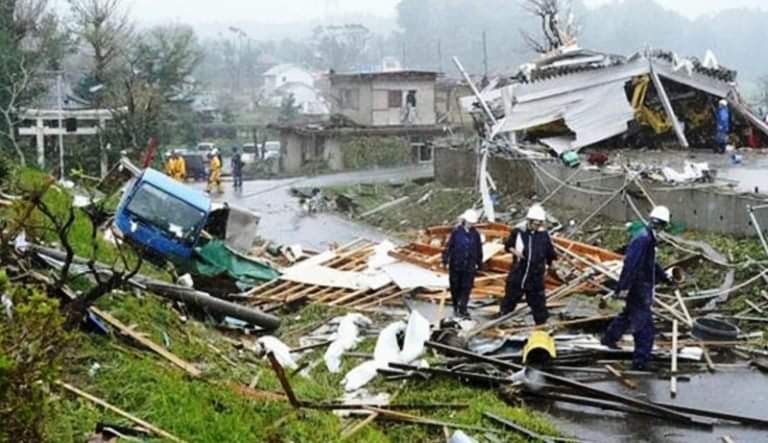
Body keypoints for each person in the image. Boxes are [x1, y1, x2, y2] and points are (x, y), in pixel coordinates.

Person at [601, 206, 674, 371]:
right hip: (639, 288)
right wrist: (623, 288)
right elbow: (630, 265)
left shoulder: (647, 237)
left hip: (639, 287)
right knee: (644, 326)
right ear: (660, 225)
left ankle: (609, 339)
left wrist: (664, 277)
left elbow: (650, 263)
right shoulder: (644, 239)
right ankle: (640, 361)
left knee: (627, 315)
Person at [499, 204, 556, 325]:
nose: (537, 226)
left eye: (539, 223)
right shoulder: (519, 232)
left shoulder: (543, 235)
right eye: (535, 223)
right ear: (529, 221)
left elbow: (550, 253)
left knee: (538, 303)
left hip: (535, 275)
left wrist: (552, 264)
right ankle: (502, 320)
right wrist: (514, 251)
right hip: (519, 272)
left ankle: (541, 325)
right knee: (510, 299)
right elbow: (508, 245)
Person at [441, 209, 483, 319]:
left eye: (473, 223)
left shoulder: (476, 234)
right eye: (469, 222)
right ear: (464, 221)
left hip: (469, 266)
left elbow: (478, 249)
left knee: (467, 287)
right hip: (456, 265)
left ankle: (463, 307)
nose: (471, 225)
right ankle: (456, 306)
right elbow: (449, 247)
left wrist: (479, 263)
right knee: (455, 287)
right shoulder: (456, 232)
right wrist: (445, 260)